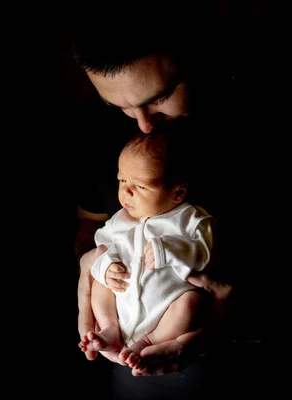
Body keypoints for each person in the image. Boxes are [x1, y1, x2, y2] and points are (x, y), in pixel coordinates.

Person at [66, 1, 284, 394]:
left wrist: (232, 321)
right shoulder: (97, 133)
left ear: (199, 56)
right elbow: (89, 224)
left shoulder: (263, 123)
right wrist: (90, 265)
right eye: (119, 107)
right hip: (128, 366)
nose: (143, 124)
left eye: (160, 96)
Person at [78, 130, 214, 376]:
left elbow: (205, 253)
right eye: (122, 181)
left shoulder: (190, 219)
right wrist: (106, 268)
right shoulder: (119, 221)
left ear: (178, 194)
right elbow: (100, 248)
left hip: (166, 308)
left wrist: (172, 250)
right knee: (100, 273)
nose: (126, 193)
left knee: (191, 302)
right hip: (122, 305)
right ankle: (109, 328)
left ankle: (150, 342)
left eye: (140, 186)